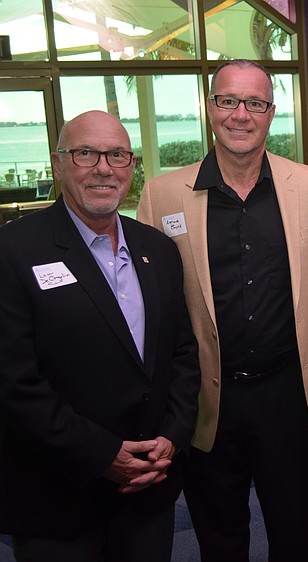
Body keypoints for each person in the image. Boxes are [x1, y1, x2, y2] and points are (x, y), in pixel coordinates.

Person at [136, 60, 308, 561]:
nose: (242, 114)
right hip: (208, 398)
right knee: (220, 535)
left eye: (255, 103)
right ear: (210, 107)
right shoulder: (163, 193)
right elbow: (147, 295)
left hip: (289, 392)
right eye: (229, 101)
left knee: (297, 532)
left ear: (271, 113)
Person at [0, 110, 200, 561]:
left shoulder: (158, 250)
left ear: (133, 166)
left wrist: (173, 435)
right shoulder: (13, 252)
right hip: (59, 497)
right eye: (86, 153)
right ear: (58, 164)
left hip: (150, 487)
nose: (103, 168)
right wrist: (102, 455)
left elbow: (183, 353)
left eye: (117, 155)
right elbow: (15, 383)